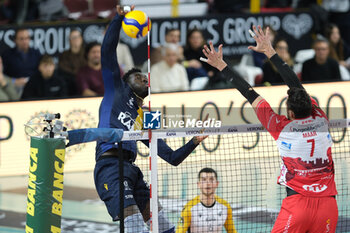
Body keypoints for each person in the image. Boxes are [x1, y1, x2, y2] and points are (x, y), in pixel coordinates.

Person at [201, 25, 338, 232]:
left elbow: (250, 93)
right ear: (311, 106)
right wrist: (270, 51)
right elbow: (296, 84)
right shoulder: (321, 118)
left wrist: (222, 66)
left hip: (298, 205)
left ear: (290, 113)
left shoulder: (281, 127)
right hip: (328, 204)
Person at [94, 5, 207, 233]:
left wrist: (193, 142)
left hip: (132, 170)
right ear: (126, 81)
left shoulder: (148, 115)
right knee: (137, 229)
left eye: (145, 78)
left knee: (166, 228)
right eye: (138, 76)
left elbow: (171, 157)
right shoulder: (115, 90)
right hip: (110, 167)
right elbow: (107, 51)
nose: (144, 79)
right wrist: (118, 17)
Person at [176, 168, 237, 233]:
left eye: (211, 179)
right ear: (198, 184)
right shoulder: (188, 208)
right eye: (204, 180)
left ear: (217, 184)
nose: (208, 183)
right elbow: (179, 231)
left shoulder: (225, 206)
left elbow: (232, 231)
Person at [1, 28, 41, 94]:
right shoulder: (7, 55)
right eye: (21, 39)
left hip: (33, 86)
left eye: (27, 38)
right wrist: (13, 81)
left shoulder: (36, 53)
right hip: (14, 87)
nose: (25, 41)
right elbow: (2, 74)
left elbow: (40, 71)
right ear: (15, 40)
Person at [58, 29, 86, 96]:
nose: (75, 39)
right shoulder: (64, 55)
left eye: (77, 37)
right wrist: (79, 74)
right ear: (69, 40)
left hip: (86, 81)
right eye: (73, 37)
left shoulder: (87, 53)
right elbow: (64, 69)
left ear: (81, 39)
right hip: (71, 84)